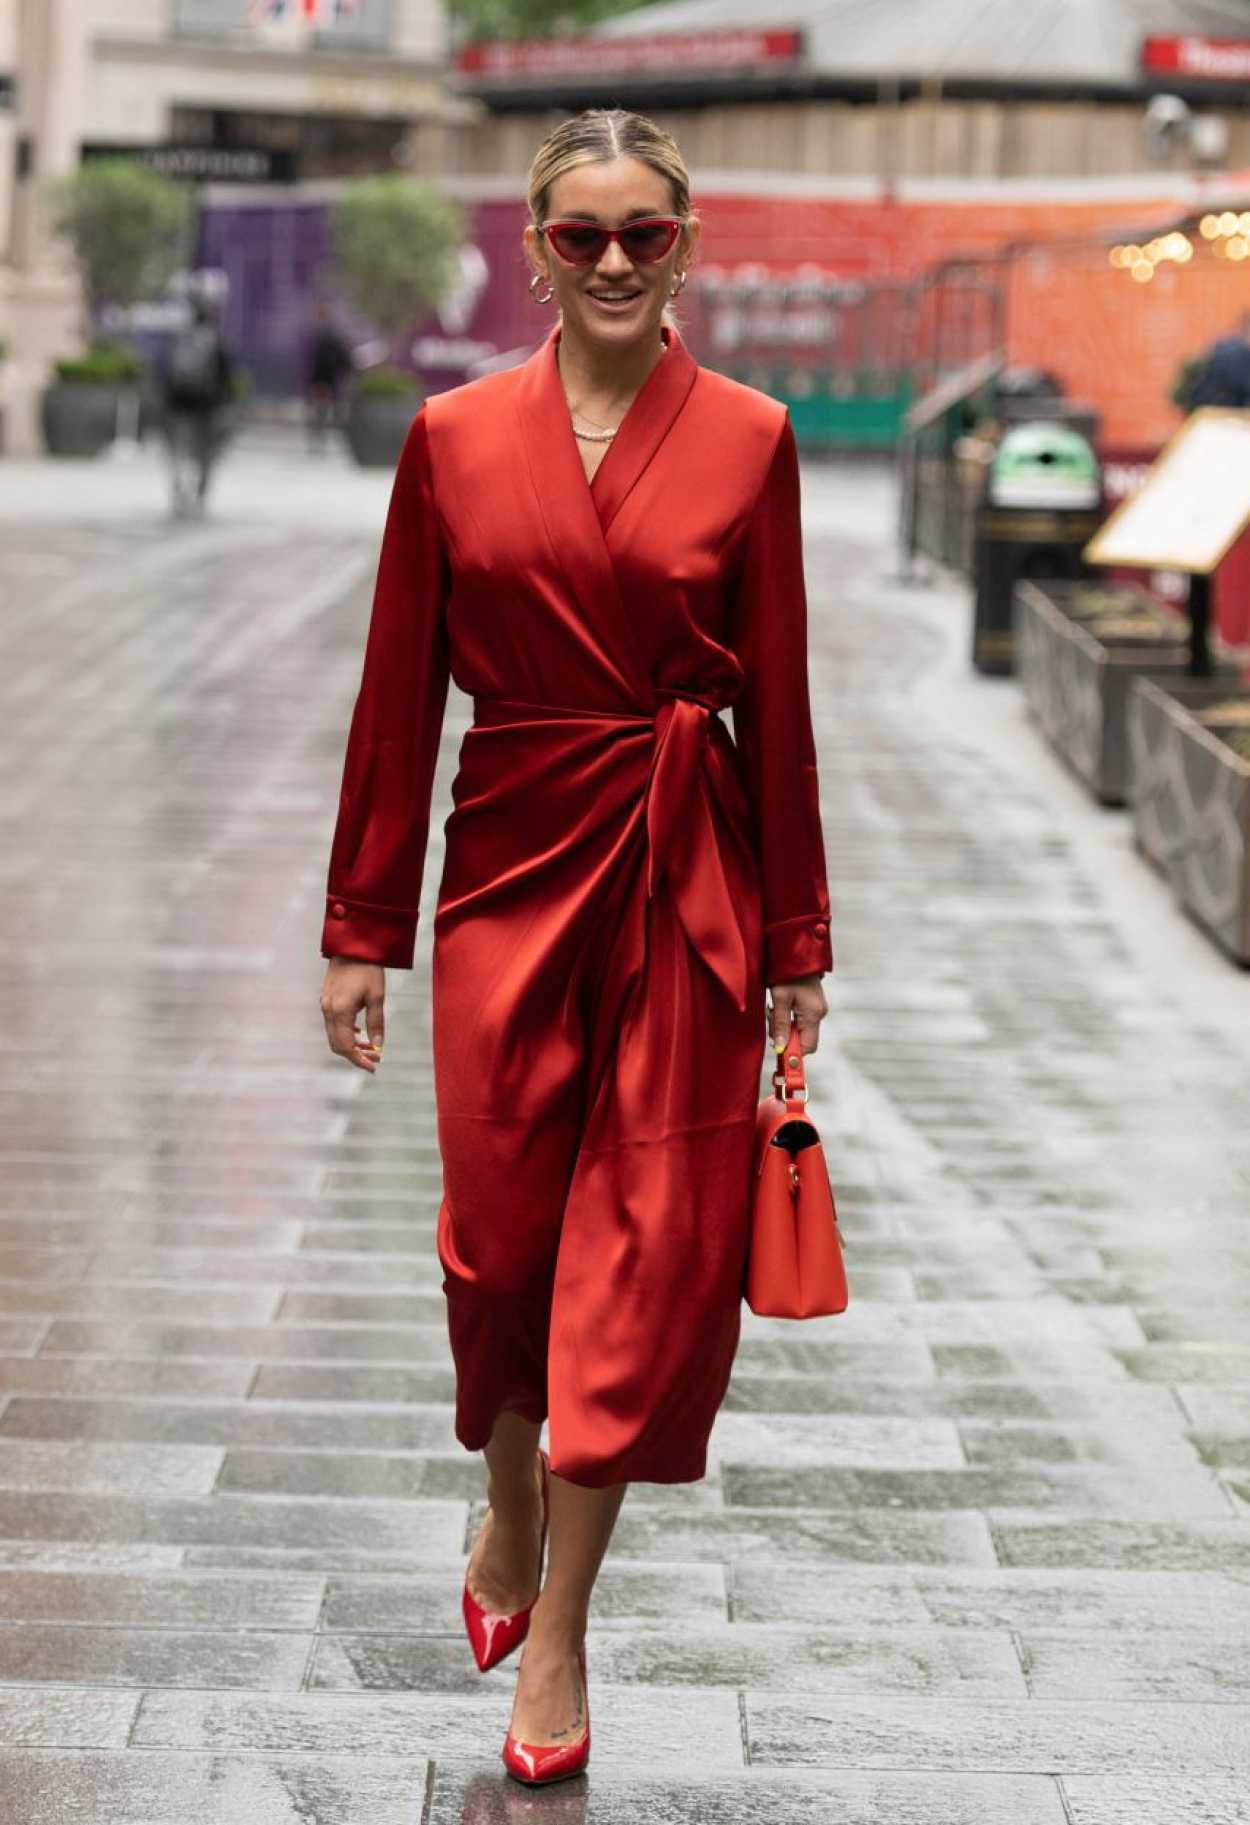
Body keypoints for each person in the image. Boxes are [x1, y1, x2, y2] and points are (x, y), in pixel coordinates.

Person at [317, 108, 833, 1787]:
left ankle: (562, 1633)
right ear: (537, 250)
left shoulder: (752, 439)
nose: (614, 260)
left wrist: (794, 938)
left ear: (688, 243)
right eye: (581, 235)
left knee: (639, 1254)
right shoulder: (453, 439)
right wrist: (359, 930)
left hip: (687, 875)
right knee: (503, 1237)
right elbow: (399, 699)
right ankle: (512, 1481)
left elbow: (788, 710)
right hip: (507, 871)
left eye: (644, 233)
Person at [161, 295, 233, 518]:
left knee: (180, 452)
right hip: (207, 407)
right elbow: (225, 376)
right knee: (205, 455)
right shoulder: (216, 341)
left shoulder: (182, 339)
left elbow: (166, 374)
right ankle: (200, 495)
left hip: (180, 405)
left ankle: (180, 493)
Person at [304, 301, 354, 451]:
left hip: (326, 378)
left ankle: (331, 438)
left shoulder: (329, 335)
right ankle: (322, 438)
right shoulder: (318, 334)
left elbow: (336, 358)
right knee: (321, 411)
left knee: (326, 411)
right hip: (323, 379)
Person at [1186, 308, 1250, 409]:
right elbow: (1245, 385)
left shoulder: (1226, 344)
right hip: (1219, 409)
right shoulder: (1236, 352)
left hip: (1208, 406)